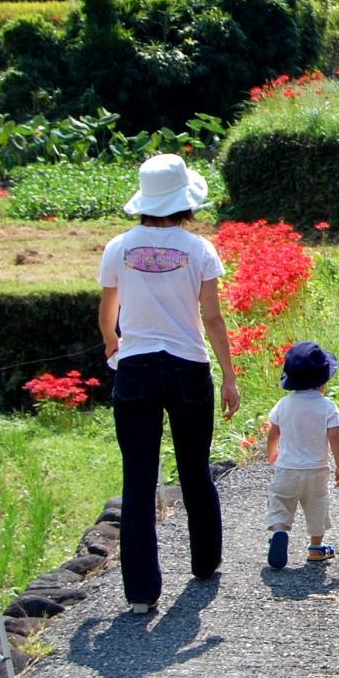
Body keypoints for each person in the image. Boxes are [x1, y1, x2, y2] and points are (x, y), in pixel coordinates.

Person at [98, 154, 240, 615]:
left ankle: (141, 593)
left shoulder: (118, 247)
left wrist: (112, 346)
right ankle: (204, 562)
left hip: (136, 367)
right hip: (187, 366)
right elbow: (213, 318)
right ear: (185, 202)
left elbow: (108, 313)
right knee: (194, 468)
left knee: (138, 478)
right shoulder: (199, 250)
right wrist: (229, 376)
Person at [264, 342, 339, 570]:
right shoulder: (327, 406)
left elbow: (274, 432)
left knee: (280, 502)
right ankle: (316, 548)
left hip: (287, 468)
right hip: (317, 470)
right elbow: (335, 436)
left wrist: (272, 452)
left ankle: (280, 531)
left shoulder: (284, 404)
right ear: (322, 381)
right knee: (316, 508)